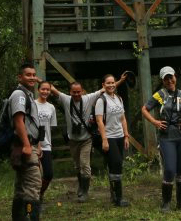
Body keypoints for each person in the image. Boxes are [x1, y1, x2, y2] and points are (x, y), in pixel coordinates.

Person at [50, 72, 128, 203]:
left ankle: (85, 192)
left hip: (86, 138)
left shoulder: (89, 98)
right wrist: (37, 80)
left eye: (78, 92)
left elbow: (106, 88)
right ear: (70, 92)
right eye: (74, 92)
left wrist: (119, 81)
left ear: (82, 92)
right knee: (77, 166)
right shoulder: (66, 99)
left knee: (85, 166)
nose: (76, 94)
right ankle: (82, 186)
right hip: (73, 139)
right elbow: (52, 89)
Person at [141, 66, 181, 212]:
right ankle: (166, 203)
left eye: (171, 77)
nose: (169, 81)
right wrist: (155, 122)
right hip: (167, 137)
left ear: (175, 77)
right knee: (169, 169)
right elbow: (144, 109)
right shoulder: (159, 94)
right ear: (162, 80)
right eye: (166, 78)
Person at [9, 62, 42, 221]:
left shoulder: (27, 94)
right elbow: (18, 121)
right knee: (33, 186)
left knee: (22, 188)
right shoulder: (19, 95)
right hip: (24, 145)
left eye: (34, 75)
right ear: (19, 77)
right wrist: (28, 145)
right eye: (28, 75)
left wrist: (37, 144)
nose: (32, 78)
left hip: (30, 144)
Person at [95, 73, 130, 207]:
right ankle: (119, 197)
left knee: (117, 164)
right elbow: (99, 121)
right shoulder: (101, 100)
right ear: (103, 85)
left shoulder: (119, 99)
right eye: (108, 83)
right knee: (116, 163)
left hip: (120, 135)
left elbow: (123, 119)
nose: (111, 85)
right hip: (109, 136)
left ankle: (115, 195)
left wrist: (126, 136)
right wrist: (104, 139)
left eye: (112, 82)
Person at [35, 80, 57, 211]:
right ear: (38, 90)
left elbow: (51, 127)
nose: (45, 92)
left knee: (48, 174)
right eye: (43, 89)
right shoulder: (32, 104)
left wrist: (47, 142)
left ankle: (40, 195)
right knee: (35, 176)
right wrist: (36, 144)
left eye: (47, 90)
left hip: (46, 144)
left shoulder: (51, 107)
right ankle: (34, 201)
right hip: (33, 145)